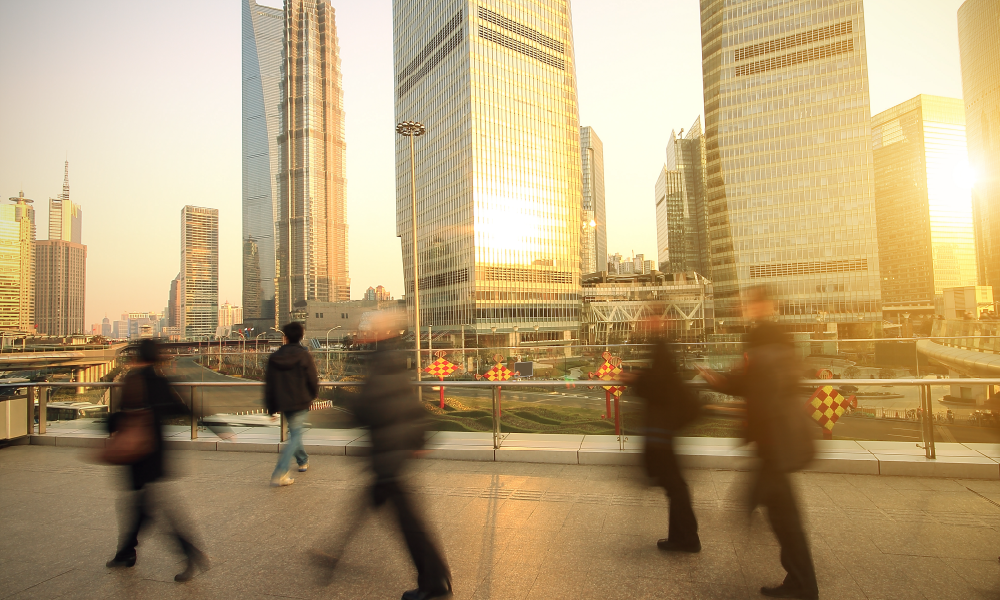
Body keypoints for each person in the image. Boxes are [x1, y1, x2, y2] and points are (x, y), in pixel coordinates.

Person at [699, 287, 818, 600]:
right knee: (783, 514)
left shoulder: (766, 339)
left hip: (773, 440)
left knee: (782, 516)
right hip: (775, 439)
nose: (744, 308)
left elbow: (759, 384)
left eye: (749, 303)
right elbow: (754, 380)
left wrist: (727, 388)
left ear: (764, 306)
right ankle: (800, 581)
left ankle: (802, 584)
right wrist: (723, 382)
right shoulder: (773, 338)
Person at [341, 311, 452, 600]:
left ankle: (434, 584)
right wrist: (419, 438)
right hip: (395, 452)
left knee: (410, 525)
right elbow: (411, 406)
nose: (359, 335)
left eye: (364, 331)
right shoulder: (394, 360)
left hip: (388, 456)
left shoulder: (379, 364)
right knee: (404, 518)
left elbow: (370, 409)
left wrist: (348, 403)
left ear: (377, 336)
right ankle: (436, 579)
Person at [105, 339, 210, 582]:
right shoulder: (161, 381)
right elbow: (183, 408)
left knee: (150, 508)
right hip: (157, 452)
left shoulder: (134, 380)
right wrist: (217, 427)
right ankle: (126, 552)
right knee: (141, 507)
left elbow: (119, 417)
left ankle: (190, 553)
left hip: (138, 454)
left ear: (138, 356)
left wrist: (105, 426)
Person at [627, 322, 702, 552]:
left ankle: (687, 538)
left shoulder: (661, 346)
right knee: (675, 486)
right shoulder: (663, 347)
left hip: (661, 432)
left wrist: (636, 379)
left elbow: (659, 383)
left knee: (675, 486)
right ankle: (683, 537)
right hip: (665, 431)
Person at [265, 321, 319, 487]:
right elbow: (313, 379)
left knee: (295, 432)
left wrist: (271, 408)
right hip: (301, 400)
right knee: (295, 435)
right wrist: (313, 395)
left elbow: (270, 384)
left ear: (285, 337)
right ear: (301, 336)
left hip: (283, 402)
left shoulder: (274, 357)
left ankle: (303, 461)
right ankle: (280, 471)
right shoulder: (304, 355)